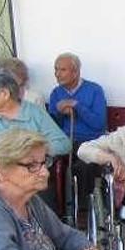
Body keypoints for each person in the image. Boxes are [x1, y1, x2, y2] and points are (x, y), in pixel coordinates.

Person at [0, 69, 70, 167]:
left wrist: (32, 149)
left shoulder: (33, 112)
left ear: (5, 94)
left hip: (29, 177)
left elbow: (63, 143)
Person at [48, 52, 108, 218]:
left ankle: (83, 213)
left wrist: (77, 106)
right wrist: (58, 112)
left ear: (75, 72)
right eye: (56, 69)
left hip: (89, 141)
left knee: (84, 167)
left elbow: (99, 125)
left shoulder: (94, 90)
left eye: (62, 70)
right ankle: (53, 212)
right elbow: (53, 127)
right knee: (46, 164)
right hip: (65, 142)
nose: (57, 74)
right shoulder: (56, 93)